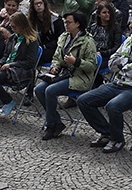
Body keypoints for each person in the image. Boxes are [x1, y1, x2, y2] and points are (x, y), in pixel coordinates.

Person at [77, 11, 132, 153]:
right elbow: (111, 62)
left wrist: (123, 63)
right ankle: (108, 133)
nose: (130, 26)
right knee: (83, 100)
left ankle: (118, 139)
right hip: (119, 83)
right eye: (130, 22)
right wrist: (127, 63)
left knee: (113, 106)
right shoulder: (129, 39)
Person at [36, 11, 98, 140]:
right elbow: (57, 56)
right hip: (63, 74)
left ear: (78, 24)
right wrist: (55, 66)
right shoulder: (64, 37)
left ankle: (51, 125)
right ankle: (57, 122)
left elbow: (92, 66)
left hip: (79, 77)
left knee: (50, 91)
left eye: (68, 22)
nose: (65, 25)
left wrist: (76, 62)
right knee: (39, 89)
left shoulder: (88, 41)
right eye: (65, 22)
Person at [0, 12, 40, 118]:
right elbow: (5, 55)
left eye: (15, 26)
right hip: (7, 68)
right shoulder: (12, 38)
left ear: (22, 25)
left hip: (20, 71)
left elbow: (30, 62)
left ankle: (8, 101)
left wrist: (11, 64)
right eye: (11, 26)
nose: (12, 28)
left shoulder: (32, 41)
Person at [28, 0, 64, 65]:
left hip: (55, 48)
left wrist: (46, 46)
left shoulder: (55, 19)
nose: (38, 5)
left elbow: (61, 37)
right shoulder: (32, 20)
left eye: (40, 3)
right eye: (36, 4)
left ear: (44, 4)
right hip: (39, 47)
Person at [88, 2, 122, 73]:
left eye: (109, 12)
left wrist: (103, 53)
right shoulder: (93, 27)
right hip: (92, 54)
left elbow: (117, 47)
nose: (107, 14)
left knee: (91, 67)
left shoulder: (115, 27)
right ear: (99, 14)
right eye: (104, 12)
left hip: (106, 56)